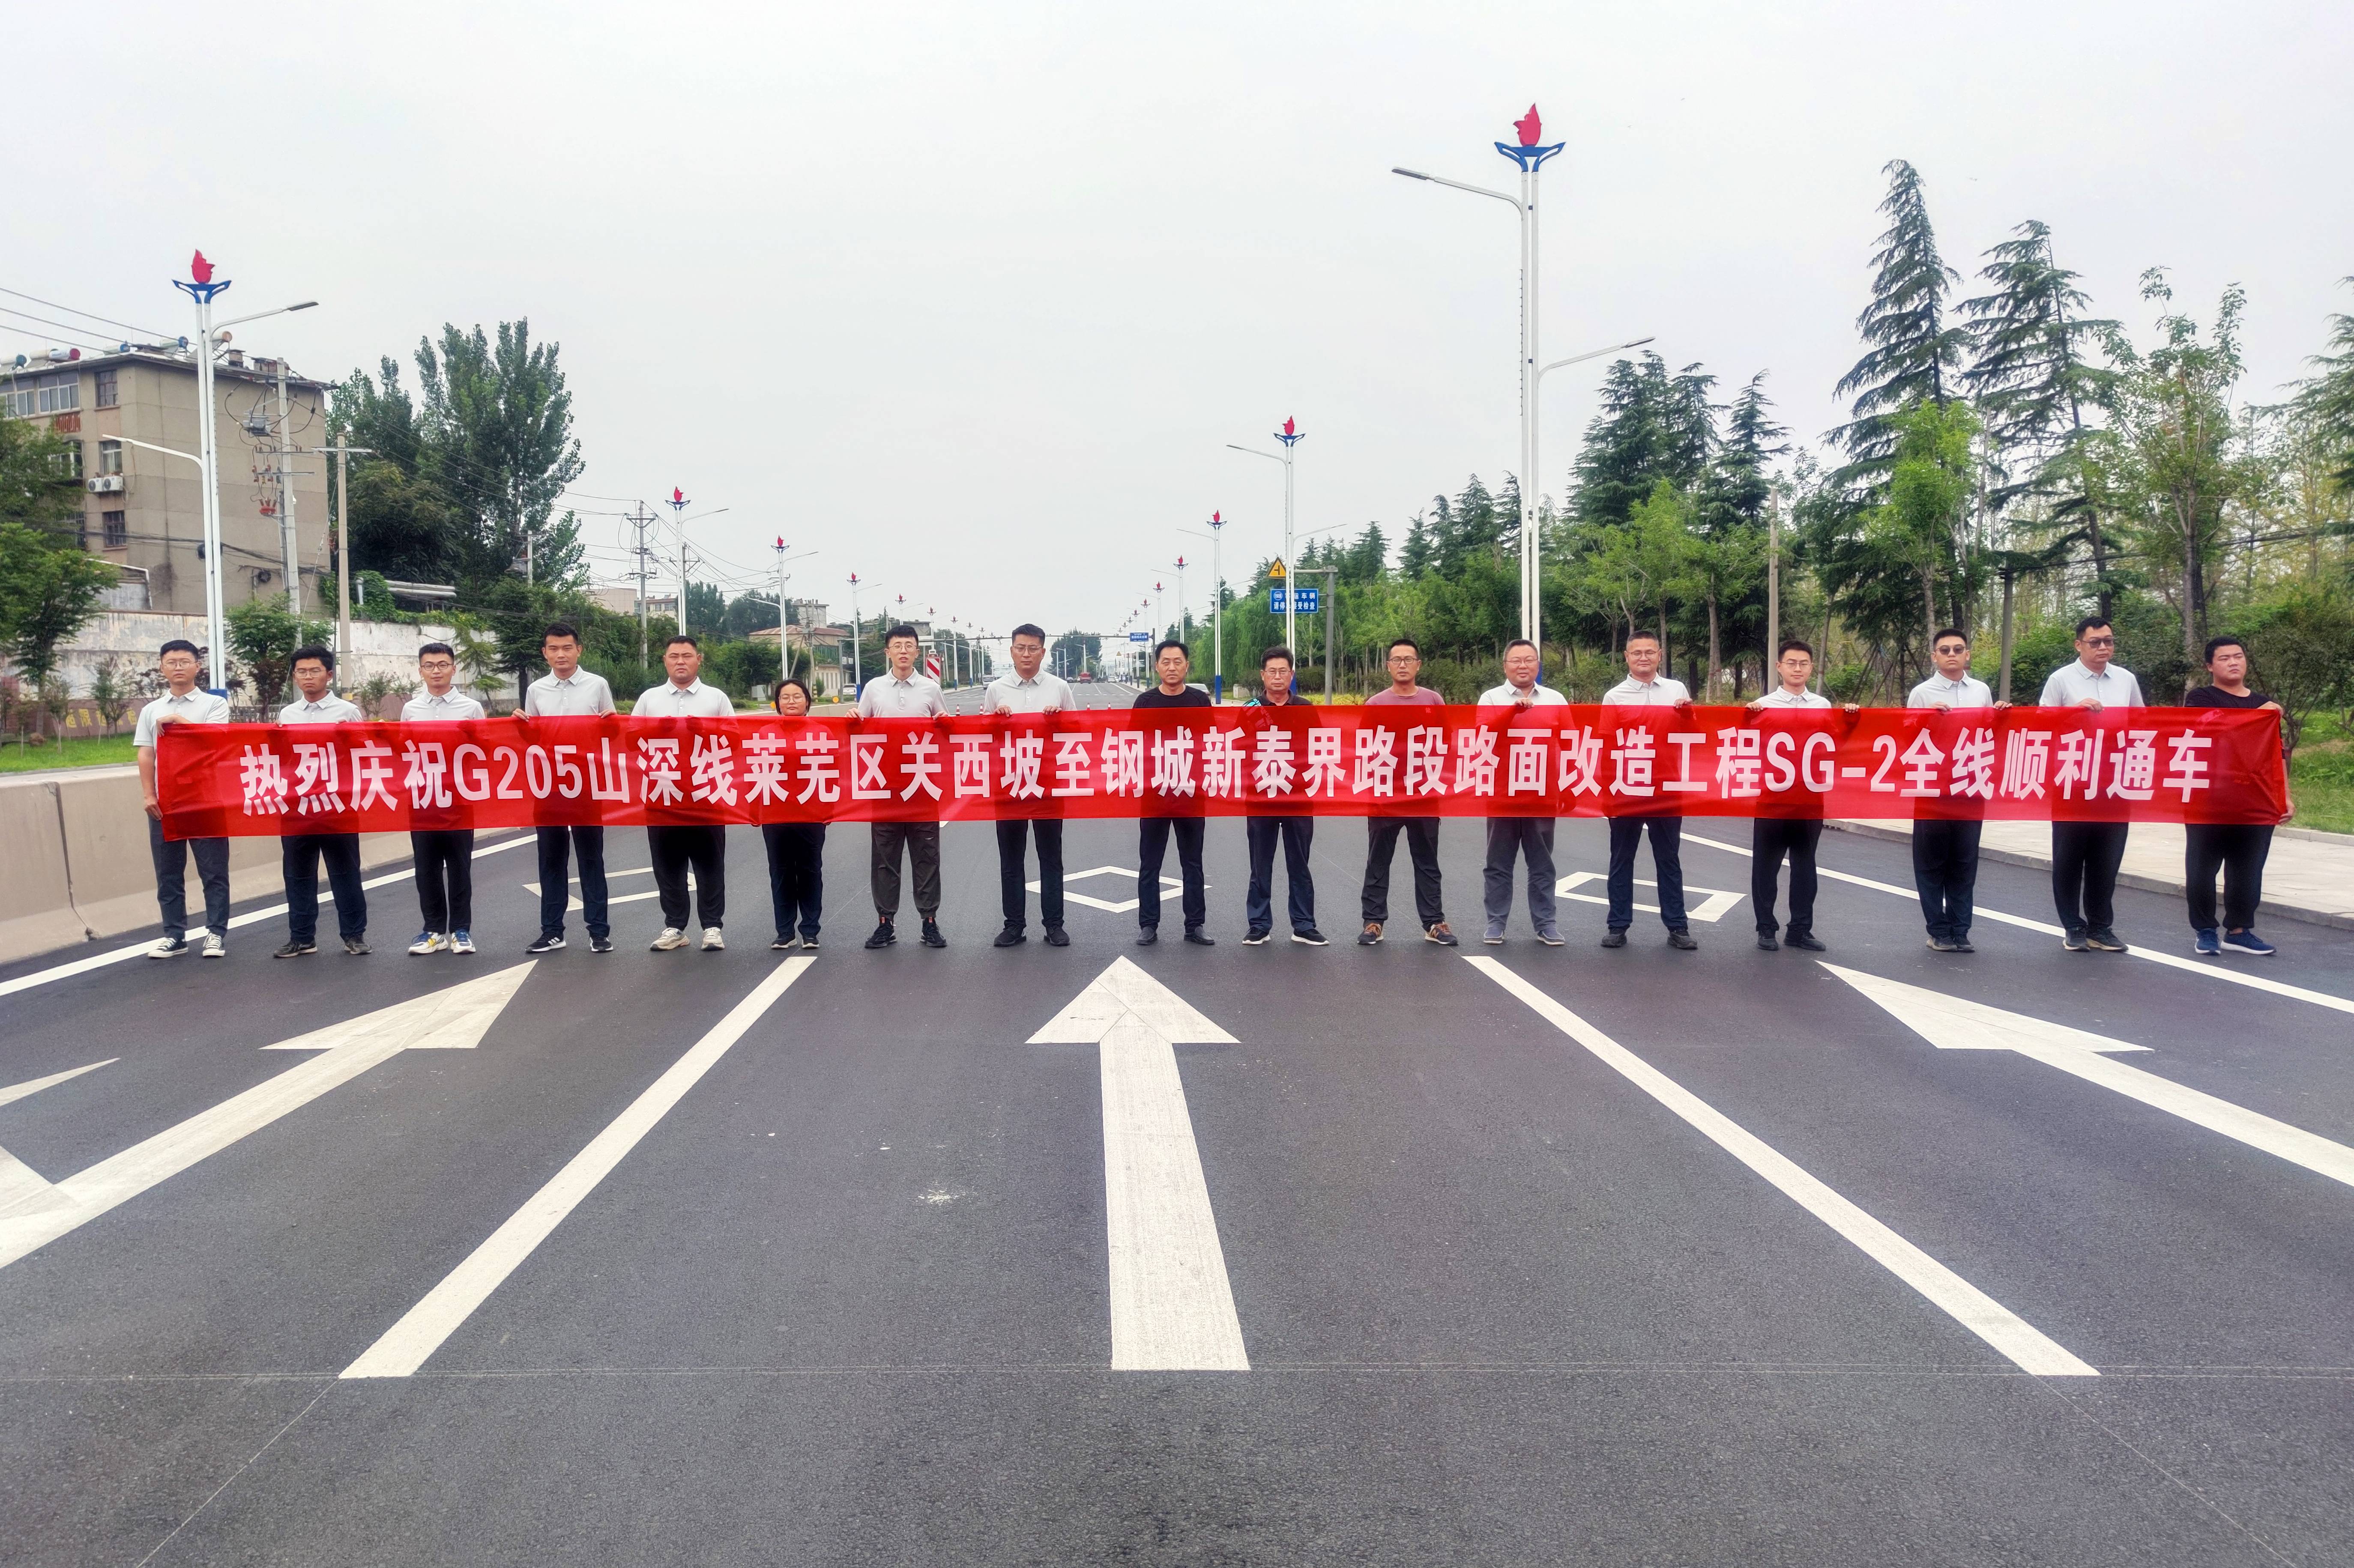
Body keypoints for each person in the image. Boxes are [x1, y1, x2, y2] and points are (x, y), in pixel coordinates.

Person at [2039, 615, 2145, 953]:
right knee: (2069, 856)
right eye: (2095, 642)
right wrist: (2073, 711)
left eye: (2108, 641)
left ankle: (2100, 926)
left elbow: (2141, 722)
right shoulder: (2060, 680)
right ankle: (2073, 925)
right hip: (2072, 778)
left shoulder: (2126, 679)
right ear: (2078, 645)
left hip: (2113, 779)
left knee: (2107, 857)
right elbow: (2041, 723)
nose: (2103, 647)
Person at [1745, 639, 1855, 953]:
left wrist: (1851, 717)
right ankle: (1766, 928)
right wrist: (1747, 717)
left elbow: (1837, 743)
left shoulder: (1822, 705)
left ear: (1811, 668)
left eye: (1803, 663)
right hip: (1772, 798)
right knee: (1766, 867)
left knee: (1805, 866)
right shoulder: (1762, 705)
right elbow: (1744, 743)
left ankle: (1800, 930)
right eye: (1791, 663)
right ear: (1779, 667)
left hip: (1809, 797)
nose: (1797, 668)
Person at [2184, 635, 2288, 957]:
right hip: (2209, 798)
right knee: (2202, 867)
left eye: (2238, 656)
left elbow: (2276, 754)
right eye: (2224, 658)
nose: (2233, 662)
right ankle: (2205, 930)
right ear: (2209, 666)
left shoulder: (2262, 703)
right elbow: (2211, 731)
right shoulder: (2200, 698)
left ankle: (2239, 931)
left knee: (2248, 868)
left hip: (2254, 798)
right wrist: (2258, 716)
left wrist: (2284, 796)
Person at [634, 634, 735, 951]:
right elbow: (628, 739)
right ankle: (675, 927)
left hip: (706, 794)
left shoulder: (716, 698)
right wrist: (655, 731)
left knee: (709, 865)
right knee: (668, 866)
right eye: (674, 656)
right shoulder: (649, 699)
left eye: (687, 656)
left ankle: (712, 927)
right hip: (662, 794)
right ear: (664, 661)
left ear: (698, 660)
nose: (681, 661)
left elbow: (736, 740)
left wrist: (706, 731)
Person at [1906, 628, 2003, 954]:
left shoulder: (1981, 691)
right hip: (1932, 788)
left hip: (1970, 785)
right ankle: (1938, 931)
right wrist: (1925, 718)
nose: (1952, 654)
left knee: (1964, 861)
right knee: (1931, 863)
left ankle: (1961, 930)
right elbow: (1905, 735)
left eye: (1958, 649)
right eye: (1945, 650)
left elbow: (1989, 733)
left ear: (1967, 654)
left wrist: (2001, 716)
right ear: (1934, 656)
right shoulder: (1922, 693)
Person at [1599, 630, 1696, 951]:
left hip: (1667, 788)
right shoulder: (1614, 696)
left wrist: (1688, 713)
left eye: (1650, 652)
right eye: (1637, 653)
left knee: (1669, 859)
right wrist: (1607, 793)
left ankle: (1677, 926)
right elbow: (1607, 747)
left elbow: (1692, 735)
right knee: (1621, 858)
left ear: (1660, 655)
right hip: (1626, 788)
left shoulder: (1676, 690)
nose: (1644, 657)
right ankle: (1617, 926)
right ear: (1627, 657)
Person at [522, 622, 616, 955]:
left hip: (587, 784)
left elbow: (611, 733)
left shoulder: (597, 685)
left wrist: (614, 724)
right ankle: (552, 931)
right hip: (548, 785)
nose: (560, 654)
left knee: (591, 858)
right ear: (544, 653)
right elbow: (532, 739)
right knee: (550, 859)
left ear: (579, 650)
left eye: (566, 647)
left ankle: (599, 931)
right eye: (553, 648)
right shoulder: (536, 690)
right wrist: (519, 727)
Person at [135, 638, 233, 959]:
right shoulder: (151, 710)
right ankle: (174, 935)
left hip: (206, 800)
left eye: (185, 662)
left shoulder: (214, 705)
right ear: (162, 668)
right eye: (172, 662)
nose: (178, 667)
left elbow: (215, 743)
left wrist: (180, 721)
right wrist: (149, 794)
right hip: (167, 803)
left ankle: (215, 933)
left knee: (213, 871)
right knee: (168, 873)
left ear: (197, 667)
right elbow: (146, 754)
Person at [1358, 638, 1455, 947]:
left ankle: (1434, 922)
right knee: (1378, 860)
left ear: (1418, 665)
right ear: (1388, 666)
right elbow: (1363, 748)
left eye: (1408, 659)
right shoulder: (1375, 704)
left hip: (1424, 793)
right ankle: (1373, 922)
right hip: (1385, 794)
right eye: (1397, 660)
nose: (1402, 665)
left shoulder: (1433, 700)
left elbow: (1446, 742)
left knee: (1427, 862)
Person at [858, 624, 948, 949]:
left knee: (927, 857)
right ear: (888, 652)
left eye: (909, 646)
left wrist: (946, 724)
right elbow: (859, 731)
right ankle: (886, 923)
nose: (903, 651)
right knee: (885, 859)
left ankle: (929, 922)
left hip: (922, 787)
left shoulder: (930, 689)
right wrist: (853, 718)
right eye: (897, 646)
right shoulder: (874, 689)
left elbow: (946, 730)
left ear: (917, 651)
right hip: (884, 788)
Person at [275, 645, 368, 958]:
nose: (308, 677)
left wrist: (349, 737)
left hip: (337, 805)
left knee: (345, 873)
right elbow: (282, 759)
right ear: (294, 677)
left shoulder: (347, 712)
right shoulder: (287, 715)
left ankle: (354, 935)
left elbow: (364, 753)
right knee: (297, 875)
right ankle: (302, 938)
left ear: (329, 675)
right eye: (301, 671)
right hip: (298, 805)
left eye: (315, 671)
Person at [987, 623, 1075, 947]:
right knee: (1011, 860)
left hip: (1048, 784)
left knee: (1050, 858)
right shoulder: (996, 689)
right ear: (1012, 651)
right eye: (1021, 648)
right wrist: (996, 719)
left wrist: (1059, 719)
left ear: (1043, 652)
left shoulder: (1059, 688)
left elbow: (1077, 732)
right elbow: (984, 738)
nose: (1026, 654)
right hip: (1009, 784)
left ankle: (1054, 925)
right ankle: (1014, 925)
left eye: (1033, 648)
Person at [1477, 639, 1567, 946]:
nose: (1523, 666)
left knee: (1542, 864)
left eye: (1529, 660)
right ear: (1505, 666)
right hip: (1502, 793)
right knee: (1498, 863)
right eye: (1516, 660)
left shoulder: (1555, 699)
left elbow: (1570, 742)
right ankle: (1495, 922)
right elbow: (1484, 735)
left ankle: (1546, 924)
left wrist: (1568, 786)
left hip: (1542, 794)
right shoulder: (1491, 698)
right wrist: (1511, 712)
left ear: (1538, 664)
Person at [401, 641, 485, 956]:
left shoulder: (471, 708)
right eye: (429, 665)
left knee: (460, 868)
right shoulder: (411, 709)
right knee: (426, 869)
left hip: (460, 799)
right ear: (420, 670)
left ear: (454, 668)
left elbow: (486, 750)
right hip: (423, 799)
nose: (436, 671)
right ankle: (433, 931)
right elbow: (404, 751)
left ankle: (461, 930)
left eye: (442, 665)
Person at [1133, 639, 1214, 947]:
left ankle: (1195, 925)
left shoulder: (1199, 700)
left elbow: (1211, 741)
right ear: (1157, 667)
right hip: (1154, 792)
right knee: (1150, 863)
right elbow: (1132, 743)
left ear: (1187, 666)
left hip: (1190, 791)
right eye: (1165, 662)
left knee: (1192, 863)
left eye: (1177, 662)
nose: (1171, 667)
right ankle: (1148, 924)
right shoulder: (1145, 702)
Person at [1244, 646, 1324, 945]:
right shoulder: (1250, 708)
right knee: (1260, 865)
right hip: (1261, 797)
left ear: (1291, 675)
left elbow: (1319, 747)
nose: (1277, 677)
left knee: (1299, 864)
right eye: (1272, 671)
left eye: (1283, 671)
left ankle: (1304, 925)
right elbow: (1239, 749)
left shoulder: (1305, 708)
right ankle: (1259, 925)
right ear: (1263, 675)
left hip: (1298, 797)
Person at [761, 678, 826, 950]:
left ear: (807, 702)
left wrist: (830, 810)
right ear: (777, 703)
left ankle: (810, 931)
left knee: (810, 871)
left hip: (811, 814)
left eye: (797, 696)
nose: (791, 702)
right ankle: (785, 931)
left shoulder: (822, 732)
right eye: (785, 697)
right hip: (775, 814)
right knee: (781, 872)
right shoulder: (764, 734)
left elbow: (834, 773)